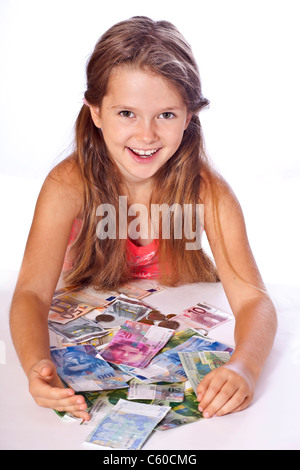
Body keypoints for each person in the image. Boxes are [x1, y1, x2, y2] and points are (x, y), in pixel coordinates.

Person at [9, 16, 277, 422]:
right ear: (96, 112)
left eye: (166, 115)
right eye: (127, 113)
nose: (147, 135)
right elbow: (29, 293)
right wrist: (35, 365)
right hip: (89, 307)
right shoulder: (68, 185)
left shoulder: (207, 191)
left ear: (189, 116)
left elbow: (256, 300)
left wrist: (245, 367)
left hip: (173, 308)